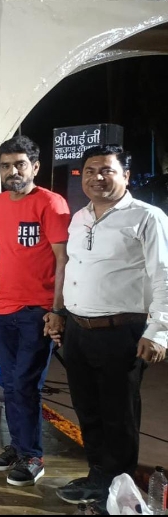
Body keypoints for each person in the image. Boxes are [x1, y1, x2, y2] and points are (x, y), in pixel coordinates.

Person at [51, 145, 168, 509]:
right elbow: (74, 269)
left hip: (122, 332)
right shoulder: (79, 218)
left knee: (119, 414)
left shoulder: (147, 217)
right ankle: (98, 477)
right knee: (88, 409)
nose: (97, 178)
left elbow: (164, 275)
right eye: (89, 171)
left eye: (106, 170)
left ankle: (119, 488)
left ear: (126, 176)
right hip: (78, 331)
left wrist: (159, 331)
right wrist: (60, 313)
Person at [0, 136, 70, 486]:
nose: (13, 171)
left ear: (34, 167)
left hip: (38, 311)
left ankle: (33, 456)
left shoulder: (51, 202)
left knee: (25, 384)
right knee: (10, 385)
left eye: (20, 164)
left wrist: (57, 309)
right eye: (6, 165)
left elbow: (64, 259)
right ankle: (18, 446)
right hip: (4, 310)